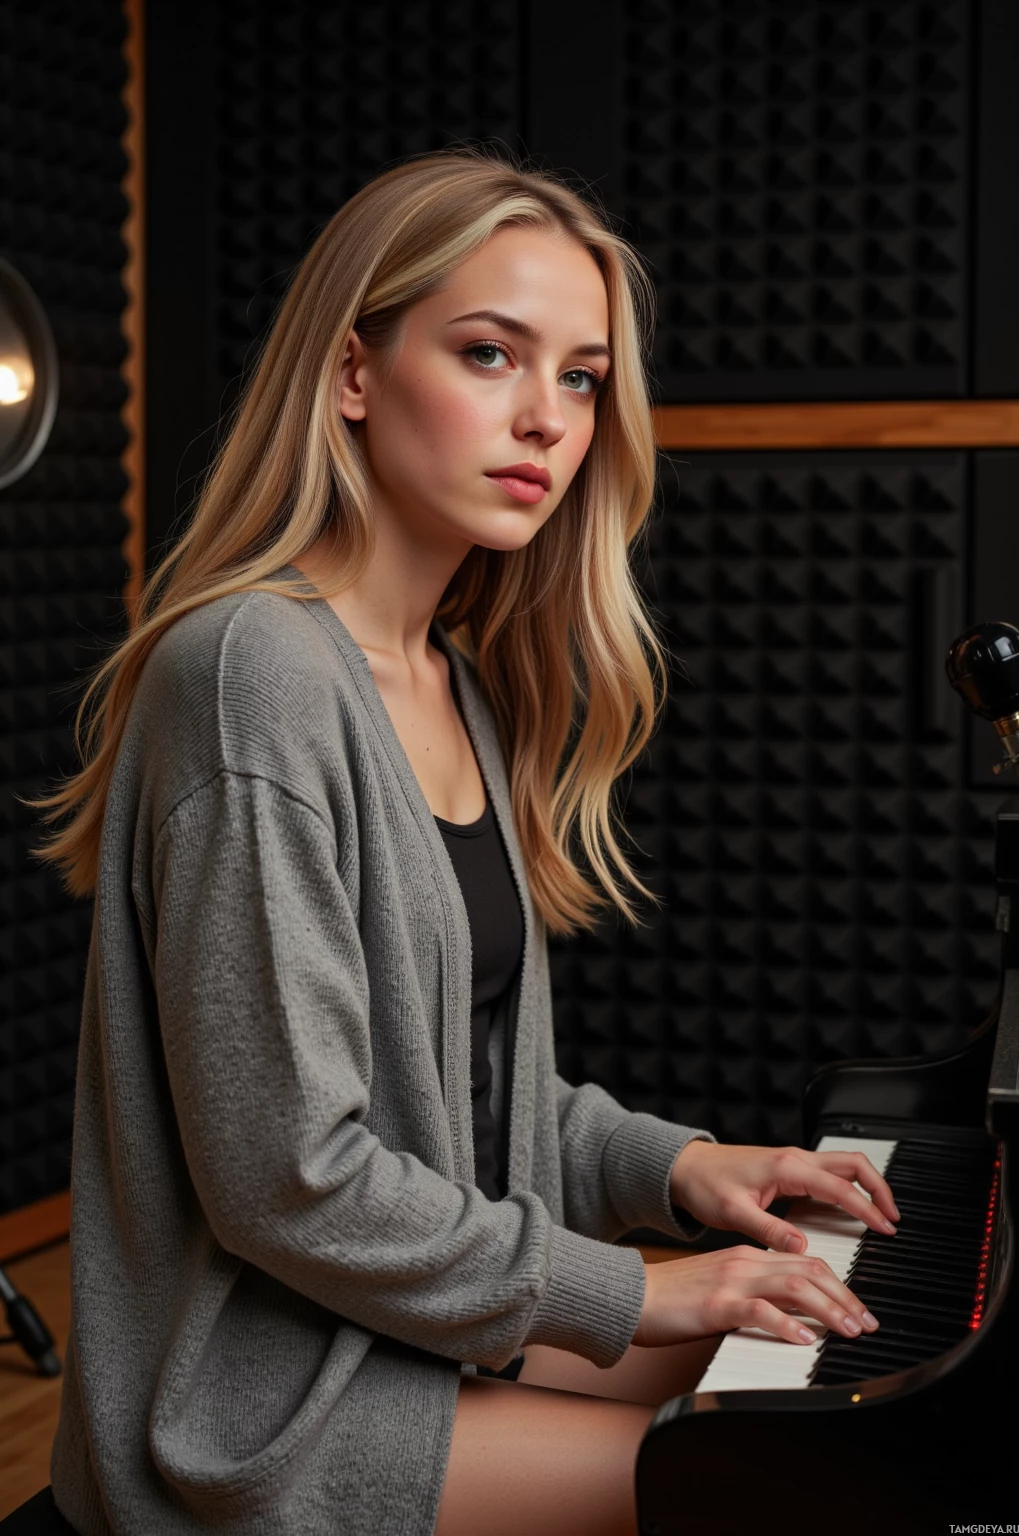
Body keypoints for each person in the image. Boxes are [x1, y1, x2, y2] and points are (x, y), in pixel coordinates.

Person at [34, 150, 899, 1536]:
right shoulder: (253, 669)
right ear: (354, 373)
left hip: (400, 1324)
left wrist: (677, 1168)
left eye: (581, 377)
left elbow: (460, 1101)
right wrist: (643, 1288)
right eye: (491, 352)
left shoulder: (450, 679)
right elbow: (288, 1178)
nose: (547, 420)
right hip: (258, 1407)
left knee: (843, 1373)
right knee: (777, 1487)